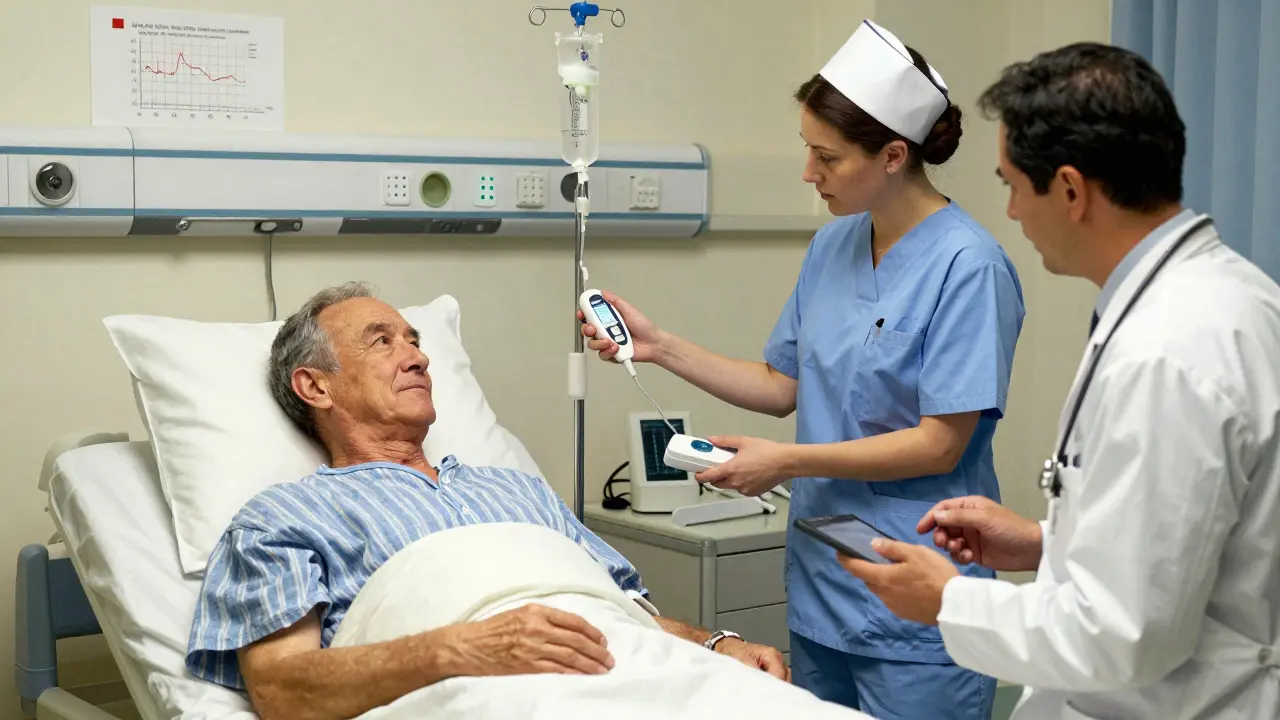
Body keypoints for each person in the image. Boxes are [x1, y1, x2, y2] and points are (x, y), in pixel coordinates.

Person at [578, 18, 1024, 720]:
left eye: (828, 157)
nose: (808, 173)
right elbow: (783, 385)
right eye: (806, 151)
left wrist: (783, 463)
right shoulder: (833, 247)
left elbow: (942, 441)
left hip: (920, 590)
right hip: (825, 586)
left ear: (892, 155)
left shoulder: (969, 267)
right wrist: (658, 345)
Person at [840, 42, 1280, 719]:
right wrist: (1050, 542)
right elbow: (1191, 541)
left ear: (1071, 190)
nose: (1011, 213)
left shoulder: (1168, 353)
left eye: (1014, 186)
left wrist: (950, 601)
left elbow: (1124, 635)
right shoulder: (1228, 296)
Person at [183, 283, 789, 720]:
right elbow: (283, 692)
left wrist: (717, 644)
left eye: (415, 341)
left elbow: (620, 611)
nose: (418, 356)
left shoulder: (516, 487)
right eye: (382, 342)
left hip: (636, 668)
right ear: (315, 386)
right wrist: (461, 647)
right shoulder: (282, 518)